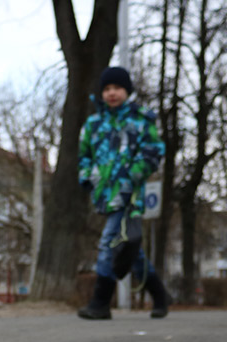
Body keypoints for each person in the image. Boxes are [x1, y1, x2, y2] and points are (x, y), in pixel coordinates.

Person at [77, 65, 169, 320]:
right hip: (105, 193)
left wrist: (132, 176)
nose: (111, 93)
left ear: (127, 91)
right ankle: (160, 295)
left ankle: (100, 302)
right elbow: (84, 156)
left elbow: (153, 152)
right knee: (132, 253)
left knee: (108, 243)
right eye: (107, 88)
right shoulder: (94, 124)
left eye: (117, 88)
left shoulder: (141, 119)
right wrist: (89, 179)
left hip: (131, 194)